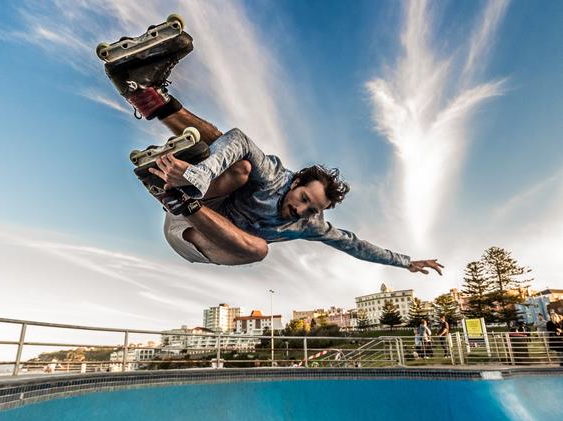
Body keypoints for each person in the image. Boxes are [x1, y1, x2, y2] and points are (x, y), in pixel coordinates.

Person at [100, 22, 444, 274]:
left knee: (259, 249)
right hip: (201, 193)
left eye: (312, 210)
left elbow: (355, 244)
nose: (303, 211)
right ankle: (147, 96)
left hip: (193, 235)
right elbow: (238, 139)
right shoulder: (275, 177)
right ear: (295, 184)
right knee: (241, 165)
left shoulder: (310, 225)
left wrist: (406, 262)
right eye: (304, 200)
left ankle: (182, 197)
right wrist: (200, 172)